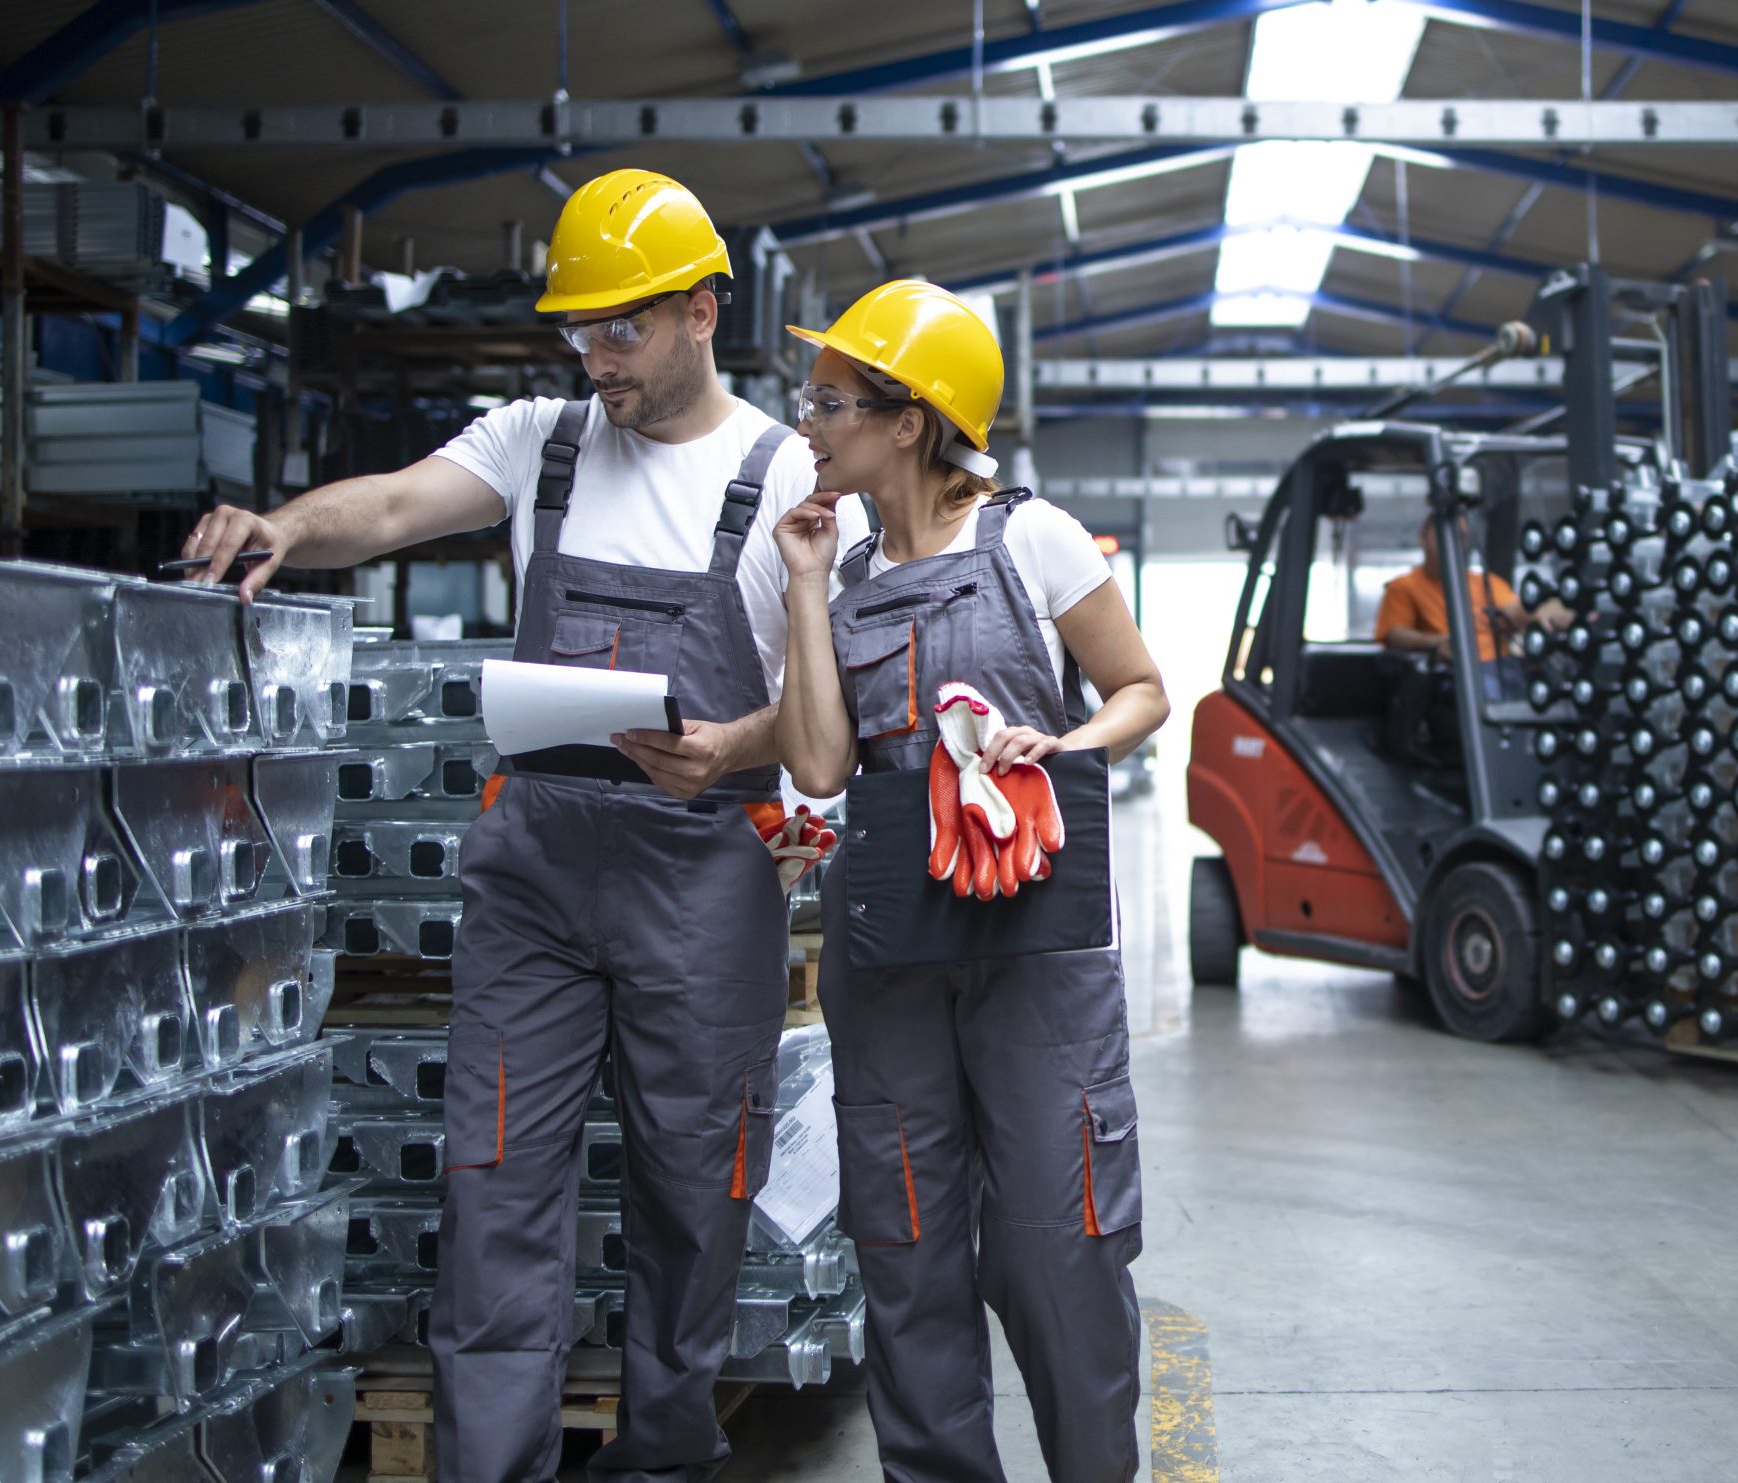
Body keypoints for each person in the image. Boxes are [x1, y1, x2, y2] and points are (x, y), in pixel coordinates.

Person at [181, 169, 860, 1483]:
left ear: (704, 310)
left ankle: (663, 1454)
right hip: (534, 884)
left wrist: (733, 743)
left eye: (626, 328)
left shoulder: (782, 475)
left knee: (690, 1187)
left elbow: (821, 714)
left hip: (700, 878)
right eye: (581, 329)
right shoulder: (538, 441)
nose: (597, 356)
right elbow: (384, 504)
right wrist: (284, 522)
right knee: (494, 1180)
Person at [769, 278, 1169, 1483]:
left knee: (1061, 1244)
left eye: (830, 401)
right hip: (889, 957)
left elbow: (1143, 692)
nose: (806, 421)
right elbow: (822, 761)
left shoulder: (1030, 539)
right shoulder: (836, 581)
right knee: (906, 1245)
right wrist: (798, 581)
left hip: (1033, 952)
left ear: (907, 421)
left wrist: (1061, 748)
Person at [1376, 512, 1555, 662]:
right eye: (1443, 534)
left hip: (1498, 676)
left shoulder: (1486, 583)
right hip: (1452, 678)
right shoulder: (1405, 586)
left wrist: (1534, 614)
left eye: (1460, 536)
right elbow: (1395, 634)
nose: (1452, 543)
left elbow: (1513, 608)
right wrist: (1438, 642)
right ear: (1422, 536)